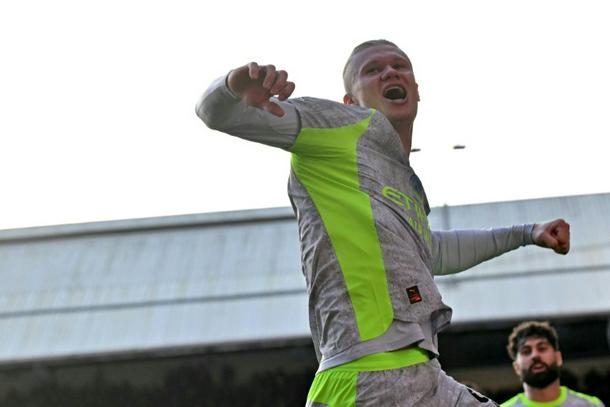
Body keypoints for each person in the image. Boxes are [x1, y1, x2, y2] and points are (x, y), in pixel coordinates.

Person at [196, 39, 571, 406]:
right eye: (372, 70)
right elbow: (216, 114)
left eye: (399, 65)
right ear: (350, 100)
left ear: (417, 90)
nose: (390, 72)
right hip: (368, 376)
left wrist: (527, 233)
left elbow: (432, 251)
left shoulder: (405, 181)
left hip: (421, 373)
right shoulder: (336, 126)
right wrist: (233, 84)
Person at [502, 321, 604, 407]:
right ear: (516, 367)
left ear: (558, 358)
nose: (535, 355)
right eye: (526, 351)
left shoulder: (591, 405)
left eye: (542, 348)